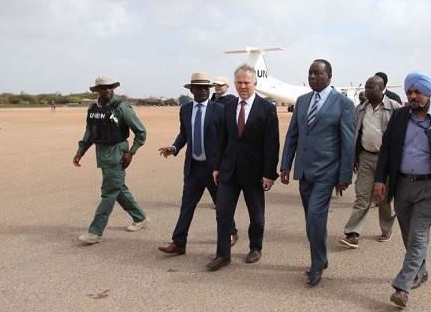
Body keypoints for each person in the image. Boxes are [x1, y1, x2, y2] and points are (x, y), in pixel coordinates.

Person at [374, 71, 431, 308]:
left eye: (418, 92)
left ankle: (403, 286)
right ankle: (420, 270)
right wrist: (380, 179)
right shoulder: (399, 116)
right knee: (408, 234)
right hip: (402, 185)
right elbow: (387, 149)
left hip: (430, 187)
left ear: (429, 93)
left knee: (418, 234)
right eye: (409, 92)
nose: (413, 96)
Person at [280, 59, 356, 286]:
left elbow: (348, 142)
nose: (312, 77)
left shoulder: (343, 104)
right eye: (310, 73)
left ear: (329, 76)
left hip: (327, 171)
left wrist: (344, 176)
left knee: (314, 216)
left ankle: (316, 265)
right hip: (304, 170)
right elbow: (293, 134)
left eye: (318, 74)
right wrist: (286, 164)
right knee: (312, 220)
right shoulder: (302, 101)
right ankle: (321, 259)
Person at [207, 64, 280, 271]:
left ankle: (255, 247)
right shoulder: (228, 107)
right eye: (239, 82)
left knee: (256, 216)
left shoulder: (267, 109)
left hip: (254, 173)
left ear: (254, 83)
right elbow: (222, 139)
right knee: (223, 213)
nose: (242, 86)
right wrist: (217, 167)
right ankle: (223, 255)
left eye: (246, 82)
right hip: (229, 171)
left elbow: (271, 144)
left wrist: (269, 173)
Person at [157, 73, 238, 256]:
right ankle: (179, 242)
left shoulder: (219, 110)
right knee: (187, 204)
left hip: (214, 169)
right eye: (199, 88)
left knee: (221, 204)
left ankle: (231, 232)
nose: (203, 91)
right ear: (191, 90)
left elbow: (226, 139)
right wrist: (174, 147)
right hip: (193, 167)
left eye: (206, 88)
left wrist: (223, 165)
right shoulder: (185, 109)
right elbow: (184, 134)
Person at [73, 76, 149, 244]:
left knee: (109, 192)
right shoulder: (93, 109)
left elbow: (141, 132)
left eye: (110, 87)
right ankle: (140, 217)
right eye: (103, 87)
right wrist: (81, 151)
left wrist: (131, 152)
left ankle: (95, 232)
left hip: (117, 154)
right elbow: (89, 132)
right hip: (102, 154)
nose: (108, 90)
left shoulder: (121, 108)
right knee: (117, 188)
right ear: (97, 90)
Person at [339, 75, 399, 249]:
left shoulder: (394, 108)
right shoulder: (360, 109)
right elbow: (357, 134)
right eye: (366, 87)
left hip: (386, 160)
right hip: (366, 157)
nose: (366, 90)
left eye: (371, 87)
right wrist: (355, 157)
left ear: (382, 89)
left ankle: (386, 230)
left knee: (385, 199)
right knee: (362, 196)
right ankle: (352, 234)